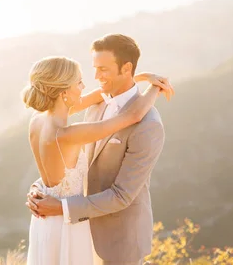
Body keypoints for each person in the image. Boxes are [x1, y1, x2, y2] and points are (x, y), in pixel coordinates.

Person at [23, 34, 173, 265]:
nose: (93, 79)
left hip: (115, 239)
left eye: (102, 69)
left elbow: (121, 195)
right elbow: (130, 115)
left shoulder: (149, 125)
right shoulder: (93, 109)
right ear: (63, 91)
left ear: (126, 68)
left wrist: (46, 193)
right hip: (71, 225)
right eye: (86, 75)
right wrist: (154, 86)